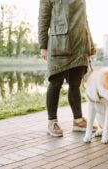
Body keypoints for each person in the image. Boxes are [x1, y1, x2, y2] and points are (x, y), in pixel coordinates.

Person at [38, 0, 96, 137]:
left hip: (80, 45)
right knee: (55, 83)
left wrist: (90, 44)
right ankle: (52, 121)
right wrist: (43, 46)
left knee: (75, 85)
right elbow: (43, 18)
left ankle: (78, 120)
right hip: (59, 44)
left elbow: (84, 20)